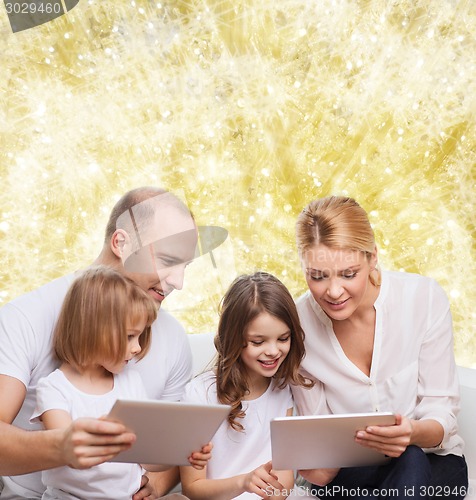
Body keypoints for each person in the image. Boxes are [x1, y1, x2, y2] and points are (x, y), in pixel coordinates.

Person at [0, 187, 214, 499]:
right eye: (168, 259)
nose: (178, 282)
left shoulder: (173, 339)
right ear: (121, 243)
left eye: (185, 265)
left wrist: (161, 482)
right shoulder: (26, 318)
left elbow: (166, 450)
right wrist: (62, 446)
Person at [292, 195, 468, 499]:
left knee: (410, 457)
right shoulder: (298, 325)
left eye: (349, 274)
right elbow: (319, 444)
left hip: (434, 462)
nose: (334, 292)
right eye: (317, 277)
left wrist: (411, 433)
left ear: (372, 257)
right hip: (353, 473)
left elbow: (442, 411)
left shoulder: (423, 299)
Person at [31, 266, 208, 499]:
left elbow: (148, 461)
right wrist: (110, 439)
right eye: (129, 336)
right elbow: (70, 454)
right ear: (93, 330)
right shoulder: (54, 389)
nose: (137, 348)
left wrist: (180, 453)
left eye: (140, 336)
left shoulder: (130, 382)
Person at [179, 272, 314, 499]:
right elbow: (193, 487)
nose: (273, 351)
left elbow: (284, 476)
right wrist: (244, 482)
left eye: (283, 339)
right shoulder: (199, 395)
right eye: (258, 342)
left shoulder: (283, 389)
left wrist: (277, 494)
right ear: (233, 338)